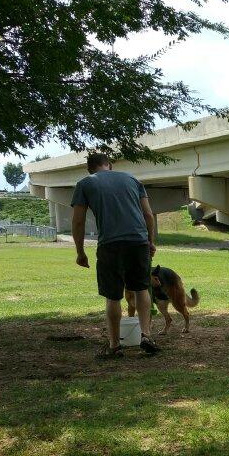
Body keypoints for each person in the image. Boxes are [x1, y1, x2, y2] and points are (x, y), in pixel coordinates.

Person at [71, 153, 161, 358]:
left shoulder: (85, 184)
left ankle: (114, 346)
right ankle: (146, 335)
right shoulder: (132, 180)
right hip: (138, 242)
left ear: (89, 169)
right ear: (109, 165)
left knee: (113, 296)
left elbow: (78, 221)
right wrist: (150, 241)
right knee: (141, 289)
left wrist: (80, 251)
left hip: (109, 245)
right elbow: (148, 214)